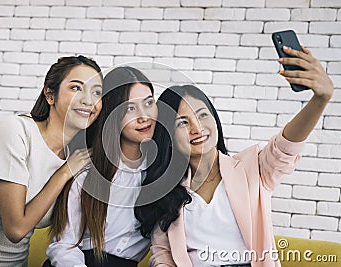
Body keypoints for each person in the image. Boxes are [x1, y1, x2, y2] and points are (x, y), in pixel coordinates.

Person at [135, 46, 334, 267]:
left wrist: (320, 99)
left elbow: (285, 148)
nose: (197, 128)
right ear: (169, 135)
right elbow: (162, 252)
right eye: (182, 122)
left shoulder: (253, 168)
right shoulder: (166, 189)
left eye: (202, 115)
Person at [0, 55, 103, 266]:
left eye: (97, 92)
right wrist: (64, 172)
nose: (88, 100)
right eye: (76, 88)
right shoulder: (17, 131)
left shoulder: (79, 158)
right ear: (50, 95)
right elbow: (15, 229)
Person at [45, 66, 158, 267]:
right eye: (130, 108)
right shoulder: (88, 171)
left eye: (149, 103)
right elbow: (63, 246)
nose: (144, 116)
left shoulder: (161, 173)